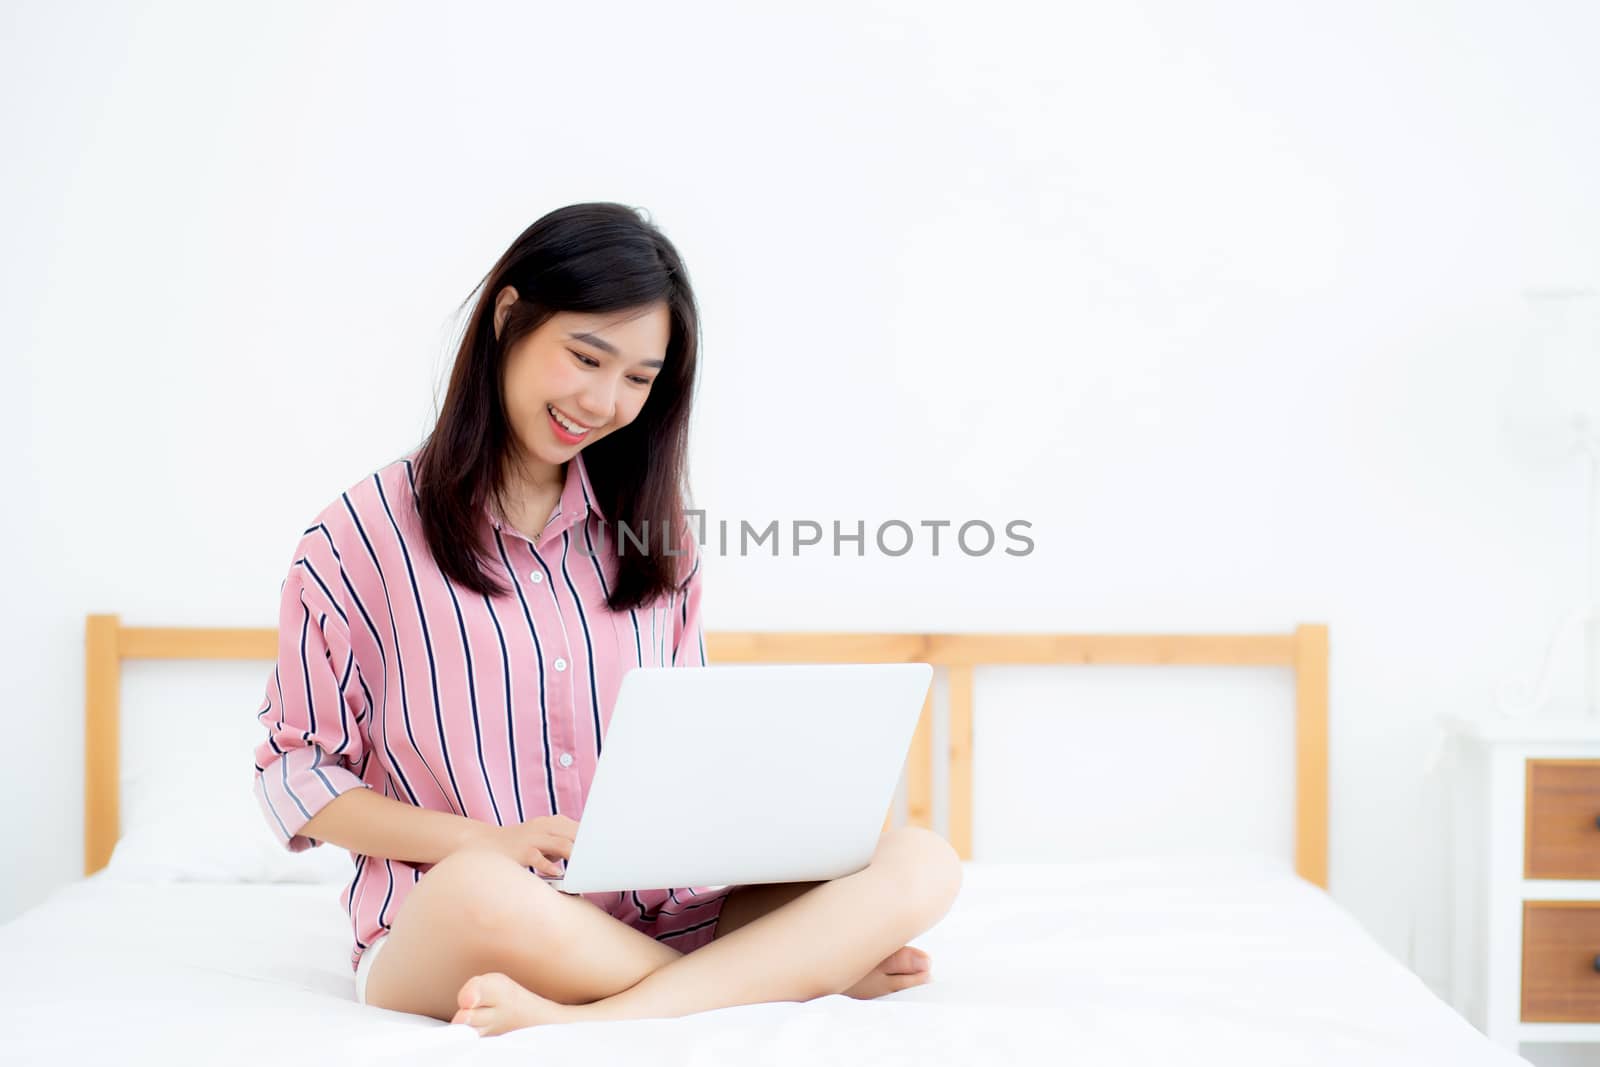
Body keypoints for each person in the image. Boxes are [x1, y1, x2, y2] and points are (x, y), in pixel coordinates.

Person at [250, 202, 963, 1037]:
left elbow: (688, 743)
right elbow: (297, 776)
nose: (603, 399)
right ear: (509, 317)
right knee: (478, 887)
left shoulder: (653, 538)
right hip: (468, 925)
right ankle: (780, 979)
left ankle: (594, 1014)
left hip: (659, 912)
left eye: (638, 376)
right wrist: (489, 840)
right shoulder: (356, 536)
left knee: (920, 859)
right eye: (586, 356)